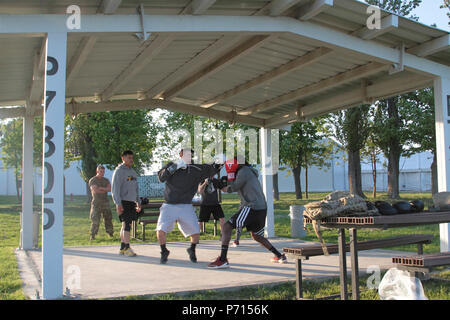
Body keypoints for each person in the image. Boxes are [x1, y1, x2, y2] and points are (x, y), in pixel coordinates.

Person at [208, 157, 287, 269]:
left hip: (252, 206)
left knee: (226, 227)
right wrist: (223, 182)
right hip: (260, 207)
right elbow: (233, 185)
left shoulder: (243, 171)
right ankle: (279, 256)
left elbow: (232, 188)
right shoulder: (247, 171)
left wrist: (218, 184)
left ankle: (222, 260)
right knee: (257, 236)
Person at [157, 148, 222, 264]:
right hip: (169, 204)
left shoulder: (196, 168)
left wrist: (220, 162)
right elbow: (161, 177)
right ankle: (164, 251)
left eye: (190, 155)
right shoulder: (172, 165)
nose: (188, 157)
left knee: (196, 232)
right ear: (180, 155)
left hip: (186, 205)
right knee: (160, 230)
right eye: (186, 155)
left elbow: (211, 170)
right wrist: (175, 167)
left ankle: (192, 249)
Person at [111, 150, 141, 257]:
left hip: (131, 202)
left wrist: (138, 201)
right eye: (129, 158)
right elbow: (115, 189)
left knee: (125, 224)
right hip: (123, 202)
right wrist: (118, 204)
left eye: (132, 158)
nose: (131, 160)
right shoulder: (119, 171)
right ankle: (128, 248)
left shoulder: (133, 172)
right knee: (127, 225)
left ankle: (122, 248)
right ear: (123, 158)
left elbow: (136, 188)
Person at [88, 165, 114, 240]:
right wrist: (104, 189)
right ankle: (93, 235)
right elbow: (95, 190)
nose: (102, 173)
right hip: (96, 202)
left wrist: (101, 188)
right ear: (97, 171)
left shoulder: (106, 180)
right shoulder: (93, 180)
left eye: (103, 172)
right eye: (101, 171)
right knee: (95, 219)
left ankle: (110, 233)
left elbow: (110, 189)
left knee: (108, 218)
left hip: (105, 202)